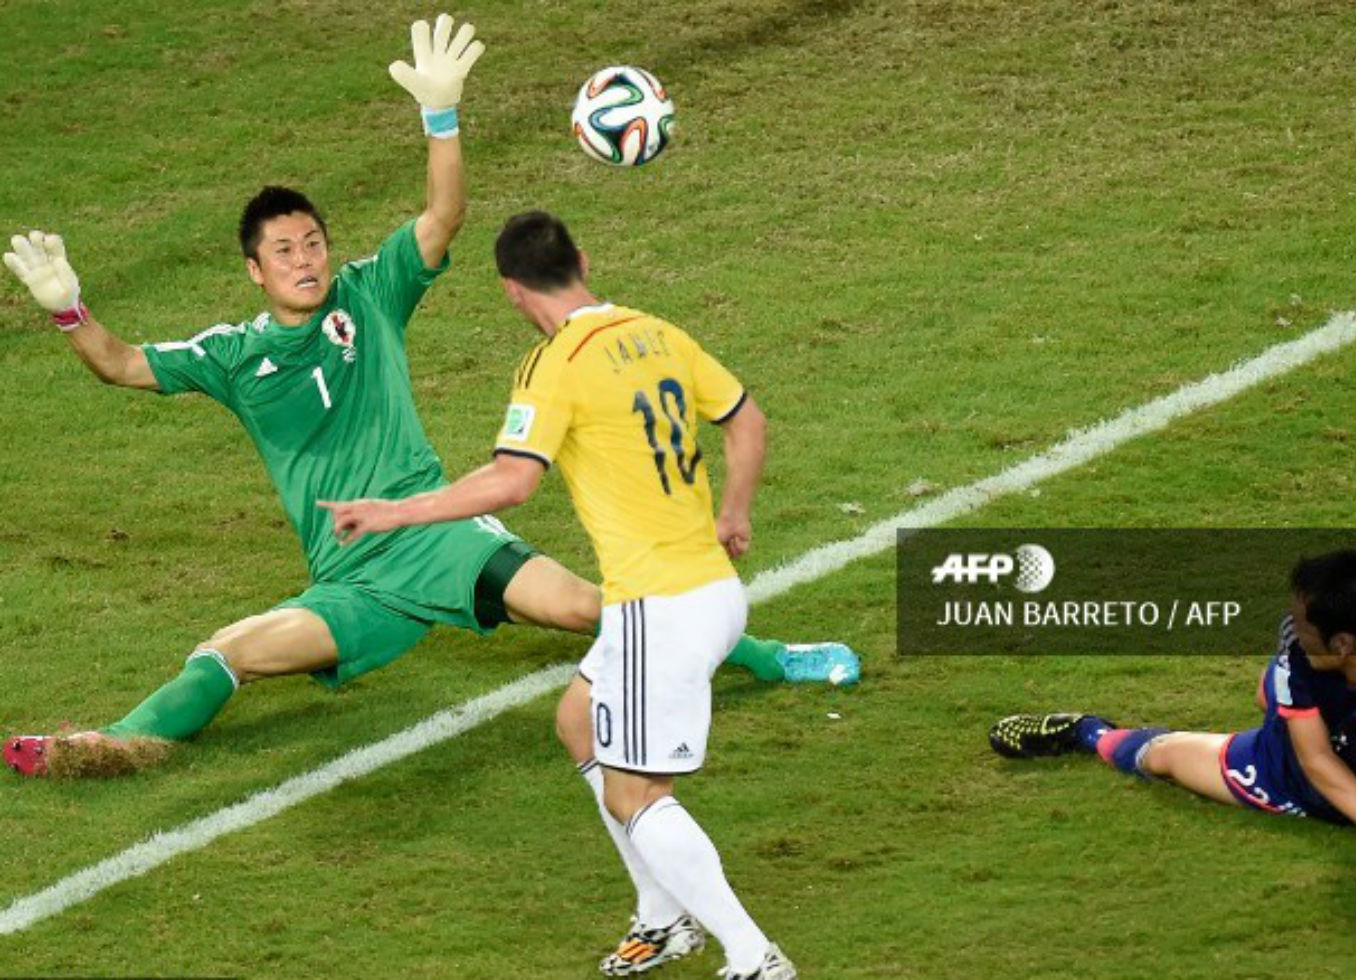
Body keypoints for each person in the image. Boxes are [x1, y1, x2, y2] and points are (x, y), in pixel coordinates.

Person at [1, 15, 857, 780]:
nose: (306, 259)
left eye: (313, 242)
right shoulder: (232, 355)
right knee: (228, 654)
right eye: (285, 250)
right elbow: (119, 364)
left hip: (439, 537)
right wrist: (70, 310)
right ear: (255, 270)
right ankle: (107, 746)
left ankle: (776, 658)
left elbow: (443, 215)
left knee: (591, 608)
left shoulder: (369, 295)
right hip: (348, 578)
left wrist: (439, 116)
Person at [320, 211, 798, 980]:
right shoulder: (657, 331)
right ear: (580, 257)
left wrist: (394, 511)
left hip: (658, 604)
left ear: (512, 292)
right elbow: (748, 421)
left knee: (634, 793)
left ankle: (753, 955)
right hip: (708, 587)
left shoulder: (554, 365)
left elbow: (513, 481)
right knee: (578, 721)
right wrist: (735, 510)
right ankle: (662, 916)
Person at [990, 549, 1356, 870]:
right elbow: (1316, 760)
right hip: (1276, 767)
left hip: (1342, 748)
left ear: (1344, 643)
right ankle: (1086, 732)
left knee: (1286, 698)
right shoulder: (1299, 646)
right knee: (1162, 756)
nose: (1291, 627)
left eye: (1305, 625)